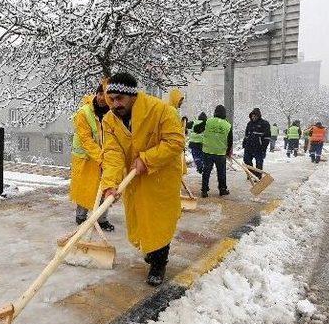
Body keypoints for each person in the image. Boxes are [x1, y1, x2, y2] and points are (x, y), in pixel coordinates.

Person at [101, 73, 184, 286]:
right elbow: (112, 153)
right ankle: (152, 249)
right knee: (140, 221)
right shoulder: (110, 120)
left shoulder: (160, 110)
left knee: (159, 222)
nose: (115, 104)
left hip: (160, 177)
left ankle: (159, 263)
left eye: (120, 98)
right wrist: (110, 184)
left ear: (132, 96)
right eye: (111, 99)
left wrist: (147, 159)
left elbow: (175, 142)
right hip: (134, 179)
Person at [69, 83, 114, 231]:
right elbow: (86, 140)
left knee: (105, 187)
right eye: (99, 93)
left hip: (104, 157)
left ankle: (101, 219)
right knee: (86, 187)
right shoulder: (84, 113)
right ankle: (81, 217)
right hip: (85, 159)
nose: (101, 97)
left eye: (105, 94)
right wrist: (101, 158)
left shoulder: (112, 114)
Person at [200, 105, 232, 198]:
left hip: (208, 151)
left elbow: (197, 129)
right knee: (221, 172)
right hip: (220, 154)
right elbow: (230, 140)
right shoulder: (227, 125)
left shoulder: (208, 122)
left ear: (215, 112)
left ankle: (204, 191)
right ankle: (222, 190)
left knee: (206, 171)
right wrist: (228, 151)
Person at [242, 108, 271, 179]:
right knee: (246, 160)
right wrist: (244, 142)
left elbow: (267, 137)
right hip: (249, 146)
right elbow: (246, 135)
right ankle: (251, 174)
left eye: (255, 116)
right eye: (252, 116)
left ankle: (258, 176)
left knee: (259, 162)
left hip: (259, 147)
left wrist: (263, 147)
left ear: (258, 116)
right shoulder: (249, 124)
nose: (253, 117)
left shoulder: (264, 124)